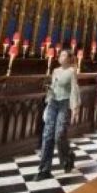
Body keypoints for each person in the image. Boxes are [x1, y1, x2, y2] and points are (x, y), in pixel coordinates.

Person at [33, 49, 80, 181]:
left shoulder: (71, 72)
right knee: (47, 135)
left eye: (64, 55)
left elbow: (74, 90)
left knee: (59, 135)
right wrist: (49, 90)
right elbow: (54, 87)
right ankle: (44, 169)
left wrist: (75, 108)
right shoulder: (55, 71)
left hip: (64, 104)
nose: (61, 56)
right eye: (60, 55)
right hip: (53, 103)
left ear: (70, 58)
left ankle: (67, 156)